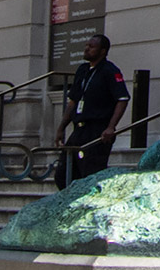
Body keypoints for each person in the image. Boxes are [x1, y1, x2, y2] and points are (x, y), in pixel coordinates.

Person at [55, 33, 130, 186]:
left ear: (102, 51)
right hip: (79, 129)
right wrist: (61, 127)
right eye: (86, 46)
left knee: (90, 174)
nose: (87, 49)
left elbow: (122, 99)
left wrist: (111, 127)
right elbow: (73, 101)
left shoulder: (109, 71)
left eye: (92, 46)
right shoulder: (82, 70)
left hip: (96, 130)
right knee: (63, 174)